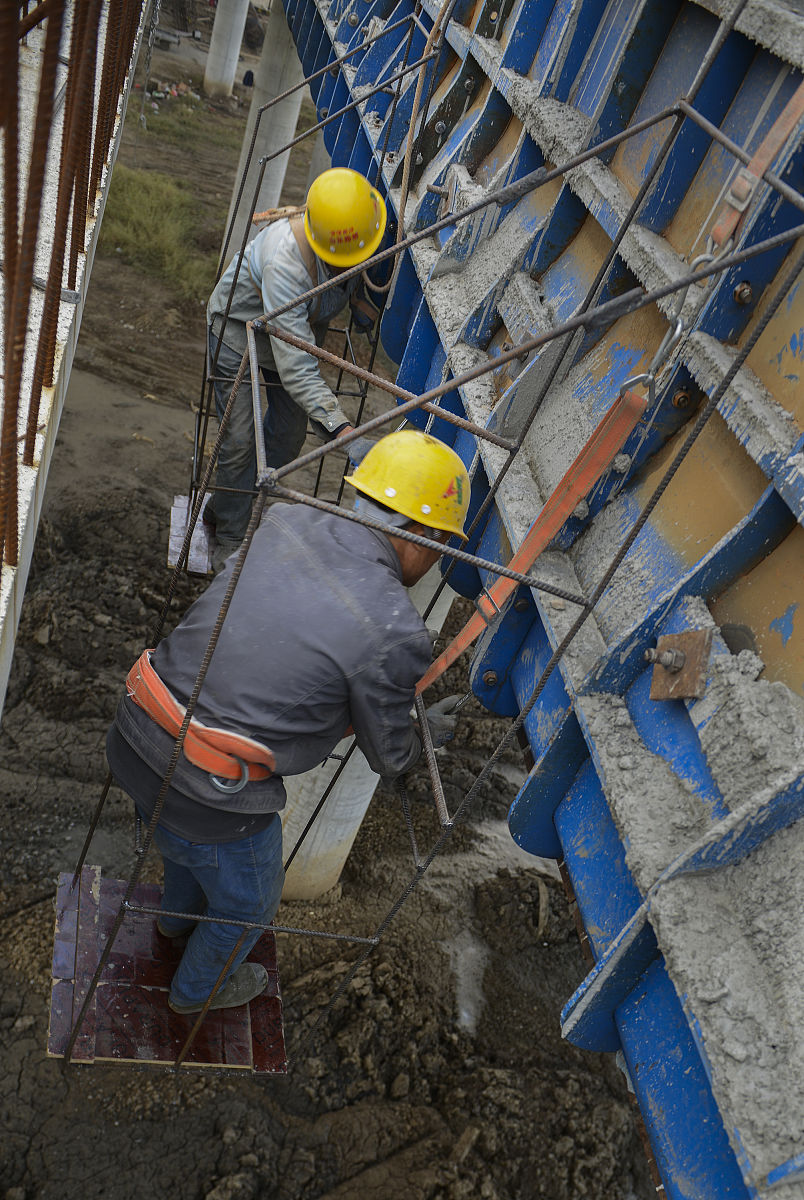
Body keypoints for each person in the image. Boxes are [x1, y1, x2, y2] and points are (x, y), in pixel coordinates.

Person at [106, 430, 471, 1015]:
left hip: (135, 732)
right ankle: (194, 994)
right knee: (249, 903)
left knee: (180, 842)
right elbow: (388, 755)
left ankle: (174, 927)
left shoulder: (283, 521)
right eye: (443, 547)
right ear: (424, 535)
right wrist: (421, 733)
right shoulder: (394, 627)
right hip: (210, 790)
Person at [204, 166, 387, 571]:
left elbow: (353, 262)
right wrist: (343, 430)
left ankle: (227, 503)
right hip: (240, 332)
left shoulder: (356, 218)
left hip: (292, 336)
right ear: (323, 248)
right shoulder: (286, 264)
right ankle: (231, 535)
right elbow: (298, 369)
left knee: (287, 439)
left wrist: (357, 297)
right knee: (238, 440)